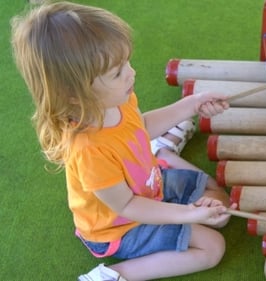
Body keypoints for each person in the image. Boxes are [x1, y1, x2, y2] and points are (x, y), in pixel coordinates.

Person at [11, 2, 235, 280]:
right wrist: (188, 214)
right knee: (213, 246)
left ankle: (161, 153)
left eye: (126, 62)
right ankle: (113, 275)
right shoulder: (89, 150)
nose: (132, 73)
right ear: (74, 93)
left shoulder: (118, 98)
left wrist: (192, 104)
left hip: (149, 185)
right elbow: (128, 206)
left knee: (221, 207)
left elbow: (140, 127)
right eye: (117, 72)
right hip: (119, 225)